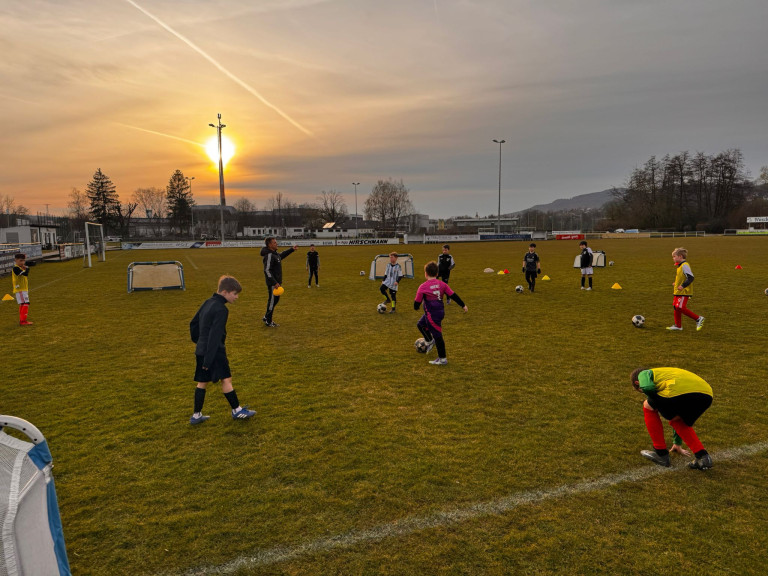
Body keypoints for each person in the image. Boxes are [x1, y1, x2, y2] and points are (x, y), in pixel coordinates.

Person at [189, 275, 255, 424]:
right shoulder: (221, 309)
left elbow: (193, 324)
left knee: (202, 382)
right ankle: (237, 410)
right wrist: (209, 358)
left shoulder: (208, 302)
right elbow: (215, 336)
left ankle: (196, 415)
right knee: (226, 379)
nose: (236, 297)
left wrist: (199, 342)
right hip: (214, 352)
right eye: (235, 294)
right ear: (225, 292)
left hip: (201, 350)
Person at [630, 366, 713, 470]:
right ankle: (703, 457)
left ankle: (660, 453)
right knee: (677, 419)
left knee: (647, 405)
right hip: (706, 396)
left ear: (637, 383)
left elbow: (648, 387)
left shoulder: (644, 374)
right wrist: (677, 443)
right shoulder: (665, 373)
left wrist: (653, 399)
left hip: (680, 392)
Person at [414, 261, 467, 365]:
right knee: (420, 324)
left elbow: (416, 305)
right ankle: (429, 341)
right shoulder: (442, 284)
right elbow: (453, 295)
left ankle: (442, 359)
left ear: (425, 273)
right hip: (439, 312)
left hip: (432, 315)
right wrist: (463, 305)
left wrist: (418, 305)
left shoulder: (423, 287)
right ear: (437, 274)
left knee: (438, 336)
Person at [261, 237, 297, 327]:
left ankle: (266, 316)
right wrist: (274, 282)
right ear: (269, 245)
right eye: (274, 243)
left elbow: (281, 256)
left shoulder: (274, 254)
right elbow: (267, 270)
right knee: (272, 301)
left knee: (275, 300)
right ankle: (268, 321)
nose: (276, 244)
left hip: (277, 283)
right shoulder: (269, 255)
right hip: (273, 284)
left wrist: (291, 249)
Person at [668, 247, 705, 331]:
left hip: (684, 291)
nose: (673, 258)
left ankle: (698, 319)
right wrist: (676, 283)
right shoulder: (680, 266)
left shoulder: (685, 265)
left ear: (680, 256)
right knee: (676, 307)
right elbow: (682, 277)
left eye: (674, 256)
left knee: (680, 307)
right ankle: (678, 326)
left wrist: (683, 286)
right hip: (678, 291)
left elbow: (691, 277)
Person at [12, 253, 33, 326]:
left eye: (23, 261)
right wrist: (27, 269)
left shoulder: (20, 267)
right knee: (25, 303)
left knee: (23, 303)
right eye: (20, 261)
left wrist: (26, 269)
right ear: (16, 260)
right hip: (20, 289)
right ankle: (23, 321)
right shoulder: (16, 268)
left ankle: (22, 320)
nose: (22, 262)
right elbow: (25, 274)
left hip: (23, 289)